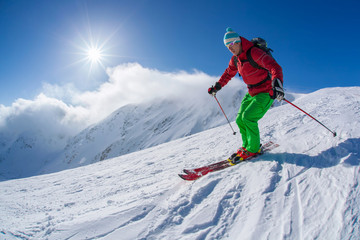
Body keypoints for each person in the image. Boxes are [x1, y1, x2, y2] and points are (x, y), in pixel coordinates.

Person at [208, 27, 284, 161]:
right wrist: (217, 86)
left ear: (238, 42)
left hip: (266, 91)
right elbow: (228, 74)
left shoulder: (254, 53)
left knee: (248, 117)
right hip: (251, 92)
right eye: (227, 46)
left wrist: (277, 83)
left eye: (231, 44)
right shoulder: (235, 60)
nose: (230, 48)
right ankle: (247, 146)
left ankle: (253, 149)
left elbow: (274, 66)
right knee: (239, 119)